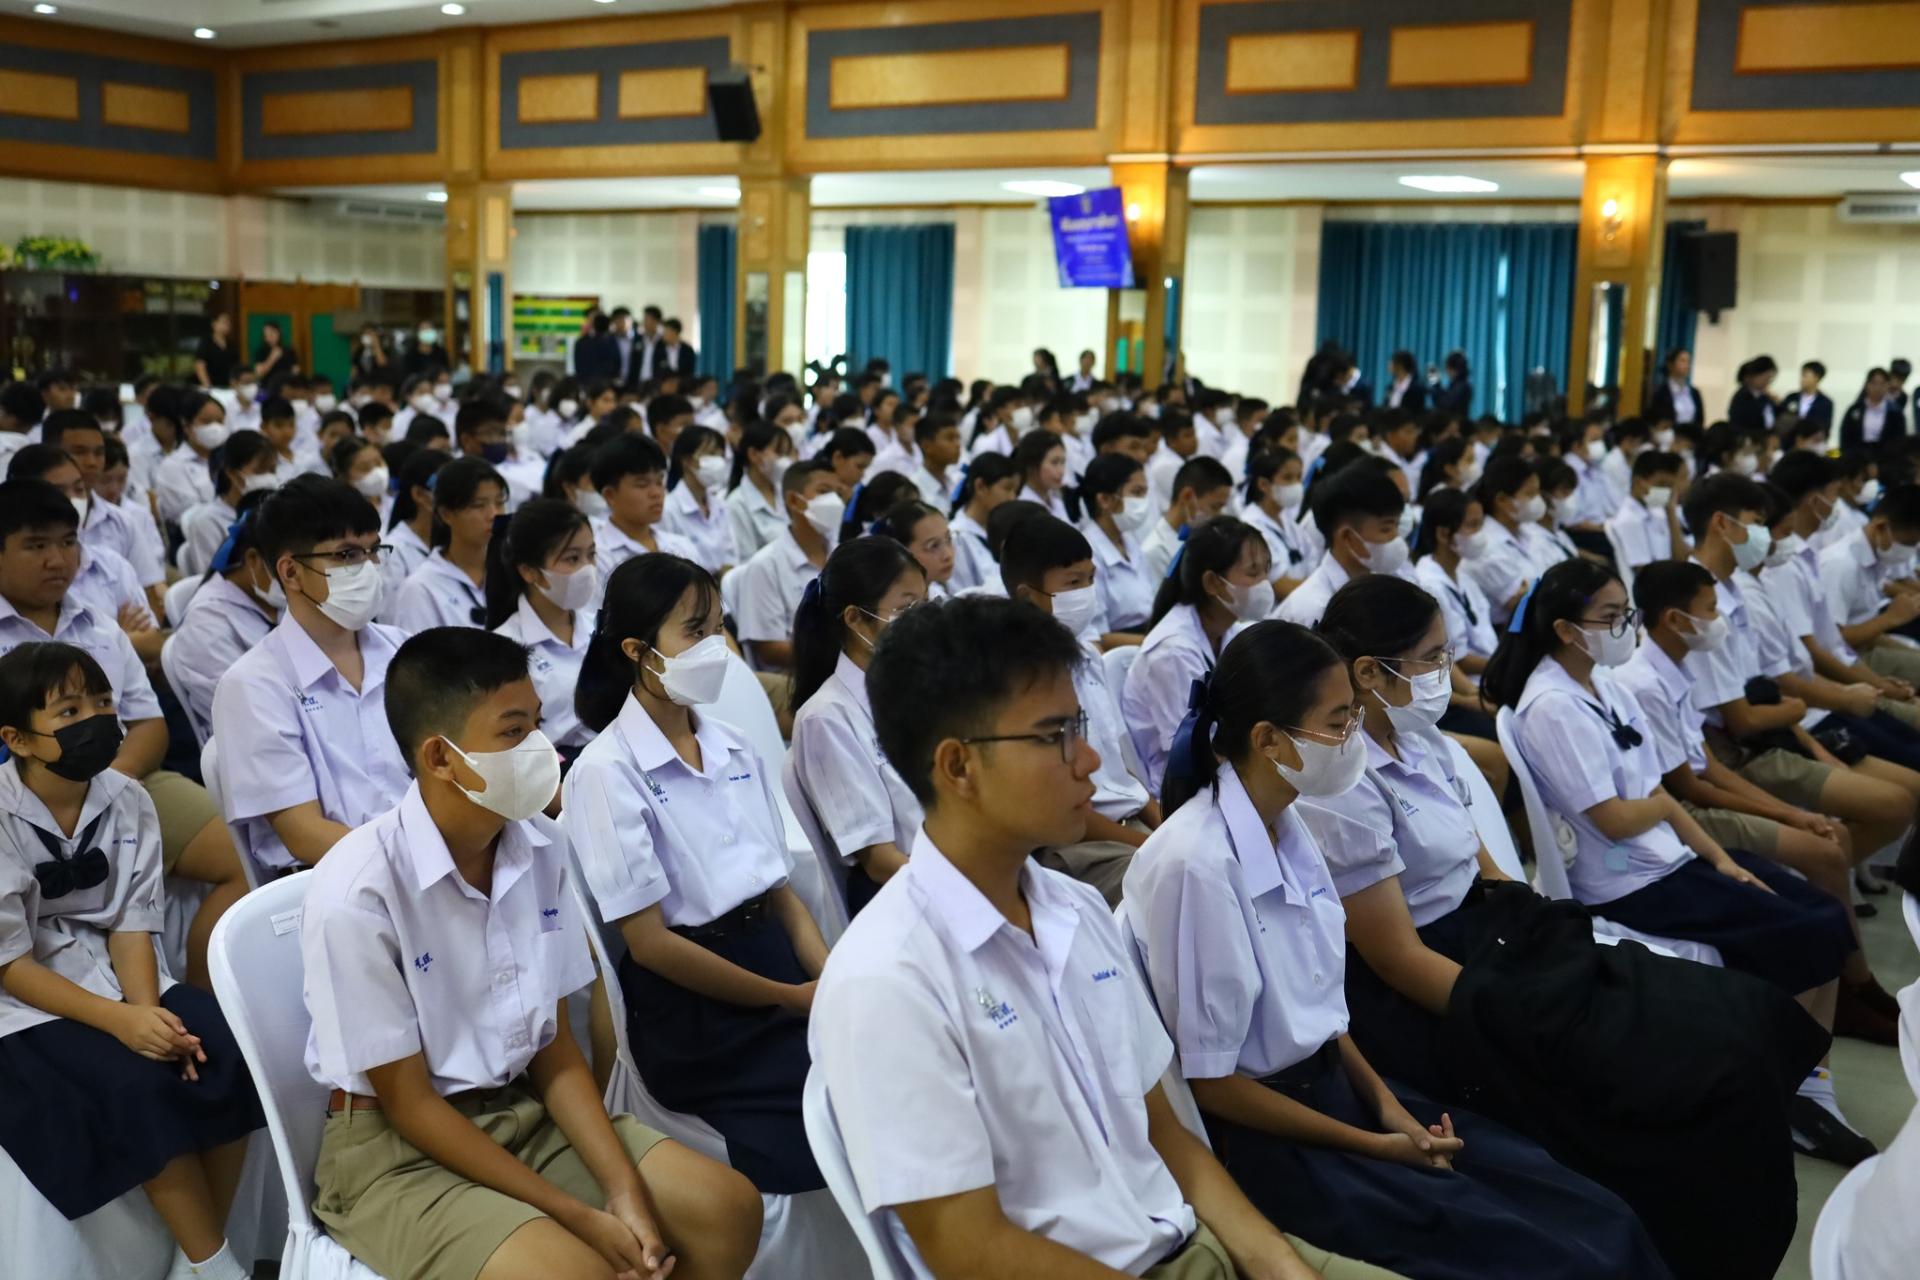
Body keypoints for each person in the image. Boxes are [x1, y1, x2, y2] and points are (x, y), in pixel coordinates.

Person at [818, 593, 1404, 1280]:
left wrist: (1278, 1263)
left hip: (1192, 1241)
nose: (1090, 761)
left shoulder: (1076, 910)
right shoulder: (886, 980)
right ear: (957, 767)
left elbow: (1168, 1137)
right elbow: (969, 1251)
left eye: (1082, 727)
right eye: (1056, 736)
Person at [1299, 579, 1833, 1279]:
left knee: (1741, 1014)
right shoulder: (1343, 788)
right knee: (1701, 1073)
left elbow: (1482, 864)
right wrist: (1519, 1014)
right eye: (1431, 659)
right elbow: (1398, 958)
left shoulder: (1420, 739)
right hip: (1445, 980)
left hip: (1496, 935)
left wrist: (1539, 931)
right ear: (1370, 673)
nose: (1445, 673)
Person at [1128, 615, 1672, 1280]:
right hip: (1280, 1143)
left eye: (1354, 715)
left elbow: (1321, 1015)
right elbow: (1215, 1085)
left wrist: (1387, 1106)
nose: (1353, 738)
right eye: (1338, 723)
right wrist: (1374, 1143)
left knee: (1595, 1211)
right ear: (1268, 739)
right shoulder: (1195, 865)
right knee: (1553, 1258)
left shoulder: (1289, 826)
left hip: (1346, 1095)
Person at [301, 626, 760, 1280]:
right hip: (395, 1151)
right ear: (441, 757)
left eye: (538, 725)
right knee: (576, 1271)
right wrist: (577, 1214)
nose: (540, 749)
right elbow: (408, 1104)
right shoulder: (359, 892)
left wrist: (623, 1191)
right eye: (513, 732)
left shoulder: (539, 846)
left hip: (520, 1108)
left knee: (725, 1208)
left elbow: (555, 1050)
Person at [1481, 560, 1867, 1158]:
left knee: (1824, 912)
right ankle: (1784, 1091)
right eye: (1610, 617)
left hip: (1669, 857)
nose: (1625, 627)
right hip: (1625, 881)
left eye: (1625, 613)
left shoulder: (1605, 686)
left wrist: (1719, 859)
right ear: (1565, 630)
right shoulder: (1551, 706)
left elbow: (1656, 793)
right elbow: (1615, 818)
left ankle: (1805, 1082)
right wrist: (1666, 815)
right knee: (1808, 934)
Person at [564, 553, 830, 1194]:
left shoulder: (733, 743)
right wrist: (788, 998)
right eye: (694, 631)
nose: (716, 648)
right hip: (697, 1006)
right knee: (823, 1136)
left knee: (886, 1078)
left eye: (718, 628)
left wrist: (827, 979)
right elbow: (651, 945)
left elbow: (781, 892)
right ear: (637, 651)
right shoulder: (607, 771)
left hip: (774, 959)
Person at [0, 642, 265, 1280]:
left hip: (122, 972)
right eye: (69, 711)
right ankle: (215, 1266)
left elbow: (130, 922)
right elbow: (11, 963)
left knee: (228, 1053)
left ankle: (193, 1261)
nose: (95, 719)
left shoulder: (128, 797)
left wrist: (147, 1015)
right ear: (18, 739)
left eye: (102, 702)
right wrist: (120, 1024)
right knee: (136, 1087)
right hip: (28, 998)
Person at [1623, 559, 1903, 1038]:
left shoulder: (1673, 667)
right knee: (1825, 849)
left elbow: (1708, 767)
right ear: (1674, 619)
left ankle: (1853, 983)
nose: (1717, 620)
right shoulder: (1645, 682)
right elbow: (1692, 787)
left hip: (1703, 791)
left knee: (1830, 838)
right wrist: (1789, 815)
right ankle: (1854, 987)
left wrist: (1792, 814)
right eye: (1710, 610)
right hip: (1683, 815)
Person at [0, 479, 244, 988]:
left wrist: (103, 787)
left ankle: (203, 997)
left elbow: (149, 724)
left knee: (240, 857)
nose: (57, 559)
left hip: (123, 776)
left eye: (68, 542)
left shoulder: (100, 627)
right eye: (36, 545)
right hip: (20, 794)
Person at [211, 475, 412, 879]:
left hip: (428, 856)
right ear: (290, 572)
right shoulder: (254, 685)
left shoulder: (403, 649)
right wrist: (414, 863)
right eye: (346, 555)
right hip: (335, 878)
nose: (368, 568)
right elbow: (304, 834)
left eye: (373, 551)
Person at [999, 516, 1158, 904]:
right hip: (1076, 845)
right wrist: (1154, 846)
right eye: (1073, 583)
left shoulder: (1087, 657)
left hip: (1129, 828)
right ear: (1027, 597)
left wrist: (1165, 826)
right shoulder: (1021, 679)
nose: (1087, 592)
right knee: (1175, 885)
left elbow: (1124, 769)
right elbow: (1066, 806)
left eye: (1090, 579)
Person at [788, 537, 930, 915]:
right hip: (903, 896)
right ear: (854, 619)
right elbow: (880, 860)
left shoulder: (922, 684)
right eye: (906, 608)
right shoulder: (826, 718)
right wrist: (963, 886)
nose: (922, 621)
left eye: (925, 604)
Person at [1123, 518, 1270, 794]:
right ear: (1213, 583)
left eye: (1266, 571)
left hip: (1223, 772)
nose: (1265, 583)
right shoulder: (1173, 652)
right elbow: (1194, 751)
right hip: (1186, 789)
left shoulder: (1230, 631)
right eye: (1253, 572)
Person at [484, 500, 597, 758]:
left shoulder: (601, 628)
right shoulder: (503, 649)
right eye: (572, 558)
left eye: (591, 555)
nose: (587, 569)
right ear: (529, 571)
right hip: (554, 770)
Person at [170, 490, 280, 740]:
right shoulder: (205, 624)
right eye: (289, 565)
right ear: (253, 559)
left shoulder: (280, 601)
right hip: (253, 741)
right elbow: (247, 713)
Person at [393, 456, 506, 633]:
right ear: (446, 514)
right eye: (478, 505)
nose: (494, 514)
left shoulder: (513, 572)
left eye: (499, 503)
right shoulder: (420, 589)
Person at [588, 434, 699, 583]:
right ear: (610, 495)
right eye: (642, 484)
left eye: (659, 482)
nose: (656, 493)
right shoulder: (597, 557)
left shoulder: (681, 547)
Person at [1078, 453, 1158, 633]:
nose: (1143, 501)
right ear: (1105, 500)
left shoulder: (1129, 541)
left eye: (1145, 493)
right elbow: (1098, 634)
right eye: (1136, 493)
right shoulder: (1088, 552)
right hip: (1122, 643)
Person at [181, 430, 278, 576]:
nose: (269, 477)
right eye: (260, 471)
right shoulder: (206, 522)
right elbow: (214, 578)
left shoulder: (273, 510)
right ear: (233, 474)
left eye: (272, 470)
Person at [1142, 456, 1234, 582]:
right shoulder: (1156, 552)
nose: (1219, 515)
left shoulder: (1202, 538)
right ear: (1187, 496)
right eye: (1215, 507)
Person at [661, 425, 734, 575]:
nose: (719, 461)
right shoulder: (668, 510)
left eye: (720, 455)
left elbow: (731, 557)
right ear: (687, 461)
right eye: (711, 454)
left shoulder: (722, 506)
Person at [1603, 449, 1685, 573]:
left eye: (1669, 486)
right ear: (1638, 482)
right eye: (1661, 484)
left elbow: (1681, 558)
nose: (1666, 491)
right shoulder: (1629, 521)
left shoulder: (1658, 513)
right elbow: (1645, 573)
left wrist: (1670, 512)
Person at [724, 420, 795, 564]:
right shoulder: (737, 503)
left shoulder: (788, 492)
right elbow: (747, 562)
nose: (785, 460)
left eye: (787, 454)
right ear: (754, 454)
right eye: (779, 453)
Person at [155, 392, 229, 528]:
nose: (215, 428)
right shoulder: (173, 466)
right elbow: (190, 518)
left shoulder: (230, 460)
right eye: (207, 421)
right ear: (187, 426)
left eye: (220, 421)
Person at [946, 453, 1018, 592]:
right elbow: (961, 594)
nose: (1012, 497)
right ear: (980, 486)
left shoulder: (1003, 528)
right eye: (1007, 488)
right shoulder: (957, 537)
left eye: (1015, 491)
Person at [1839, 366, 1908, 453]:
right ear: (1867, 385)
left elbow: (1899, 440)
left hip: (1885, 457)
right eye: (1874, 383)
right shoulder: (1854, 410)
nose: (1877, 388)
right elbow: (1845, 437)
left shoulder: (1896, 413)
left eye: (1882, 384)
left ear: (1887, 386)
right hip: (1857, 457)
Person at [1011, 429, 1069, 522]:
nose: (1061, 471)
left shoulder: (1056, 501)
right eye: (1054, 462)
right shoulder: (1024, 509)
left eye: (1063, 462)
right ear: (1032, 466)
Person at [1646, 348, 1698, 426]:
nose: (1687, 365)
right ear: (1670, 365)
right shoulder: (1660, 392)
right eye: (1682, 361)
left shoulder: (1694, 392)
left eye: (1688, 361)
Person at [1728, 356, 1779, 433]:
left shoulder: (1765, 397)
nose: (1767, 382)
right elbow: (1738, 426)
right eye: (1765, 377)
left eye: (1769, 378)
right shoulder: (1742, 397)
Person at [193, 314, 236, 390]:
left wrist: (234, 385)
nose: (227, 325)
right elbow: (200, 365)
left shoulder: (231, 345)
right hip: (210, 387)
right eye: (224, 322)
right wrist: (207, 386)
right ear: (214, 324)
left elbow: (234, 368)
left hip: (227, 387)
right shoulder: (206, 342)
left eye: (228, 323)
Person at [1793, 361, 1834, 436]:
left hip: (1812, 441)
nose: (1802, 379)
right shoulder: (1792, 398)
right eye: (1802, 375)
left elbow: (1825, 428)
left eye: (1805, 375)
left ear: (1816, 378)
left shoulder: (1825, 403)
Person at [251, 321, 296, 387]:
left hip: (286, 387)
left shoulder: (289, 351)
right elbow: (259, 373)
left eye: (273, 332)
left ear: (279, 333)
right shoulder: (261, 351)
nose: (270, 336)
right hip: (267, 386)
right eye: (267, 333)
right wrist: (272, 358)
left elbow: (295, 371)